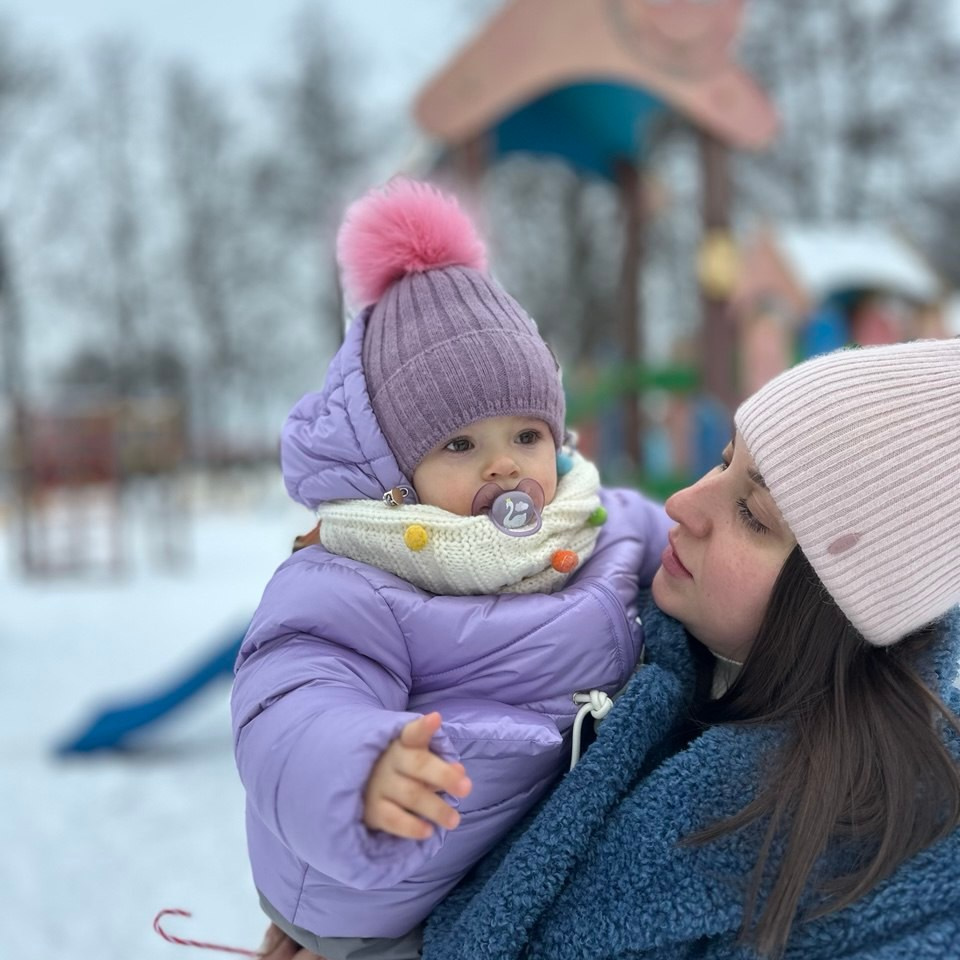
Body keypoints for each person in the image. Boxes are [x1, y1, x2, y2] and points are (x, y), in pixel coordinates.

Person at [230, 179, 670, 960]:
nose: (505, 466)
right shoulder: (355, 577)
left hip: (523, 863)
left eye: (527, 436)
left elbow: (695, 552)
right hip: (389, 897)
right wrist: (361, 768)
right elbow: (290, 700)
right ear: (397, 473)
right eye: (460, 445)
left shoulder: (604, 522)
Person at [420, 337, 960, 960]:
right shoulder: (596, 623)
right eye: (723, 461)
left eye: (752, 514)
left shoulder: (910, 856)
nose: (681, 504)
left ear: (837, 609)